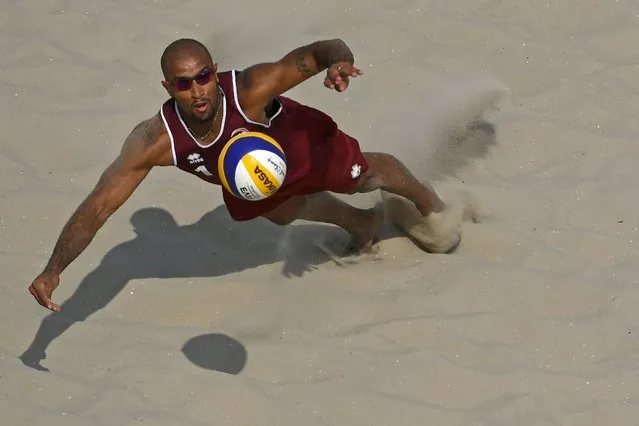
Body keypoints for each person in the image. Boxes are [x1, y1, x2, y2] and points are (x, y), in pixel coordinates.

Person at [27, 37, 458, 312]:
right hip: (255, 181)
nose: (197, 90)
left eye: (203, 76)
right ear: (167, 87)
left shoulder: (249, 88)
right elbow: (99, 204)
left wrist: (338, 63)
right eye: (183, 83)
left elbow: (315, 52)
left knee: (365, 175)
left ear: (215, 71)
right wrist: (54, 268)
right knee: (283, 213)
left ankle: (430, 205)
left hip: (299, 142)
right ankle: (363, 224)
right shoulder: (156, 140)